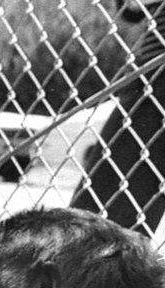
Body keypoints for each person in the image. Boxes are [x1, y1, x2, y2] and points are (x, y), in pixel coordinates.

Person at [70, 0, 165, 237]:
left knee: (104, 226)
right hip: (155, 75)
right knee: (108, 218)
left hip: (156, 78)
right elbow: (132, 9)